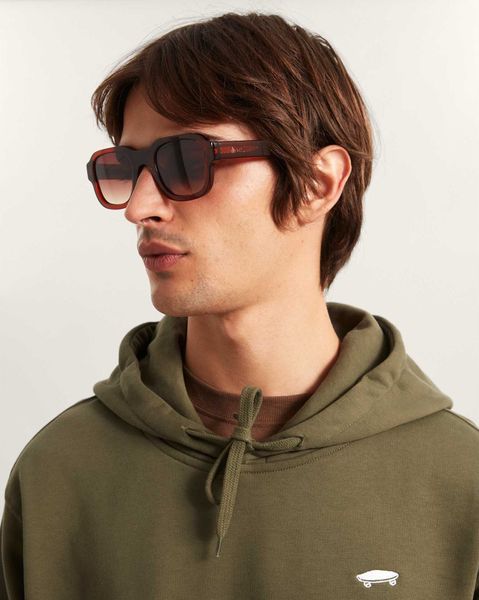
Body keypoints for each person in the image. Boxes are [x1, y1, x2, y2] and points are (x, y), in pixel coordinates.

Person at [1, 11, 478, 600]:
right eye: (126, 169)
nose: (139, 208)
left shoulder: (461, 480)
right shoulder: (59, 471)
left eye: (186, 162)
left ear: (317, 183)